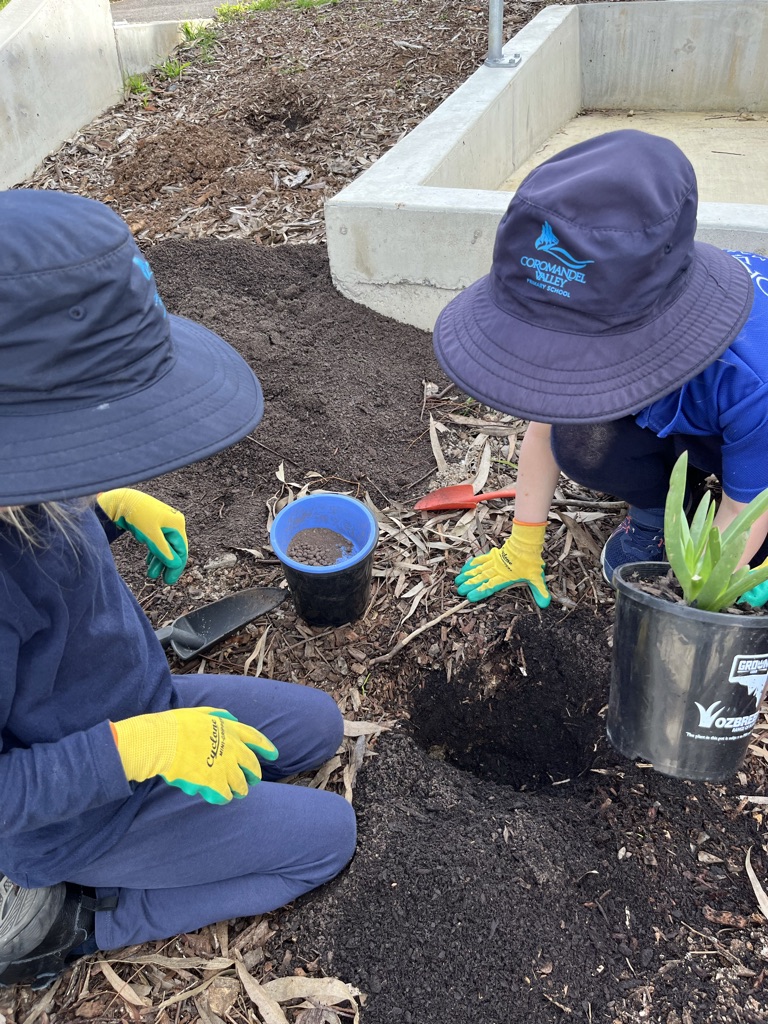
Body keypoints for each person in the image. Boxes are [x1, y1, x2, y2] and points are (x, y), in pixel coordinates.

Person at [0, 189, 356, 989]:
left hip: (133, 698)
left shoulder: (27, 478)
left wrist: (102, 510)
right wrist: (147, 749)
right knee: (328, 838)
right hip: (82, 812)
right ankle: (95, 917)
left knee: (320, 728)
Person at [432, 129, 768, 609]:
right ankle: (661, 512)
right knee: (581, 439)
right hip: (696, 411)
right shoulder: (621, 287)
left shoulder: (750, 378)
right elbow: (546, 425)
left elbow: (748, 509)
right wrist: (523, 545)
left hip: (753, 431)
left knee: (752, 547)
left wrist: (703, 591)